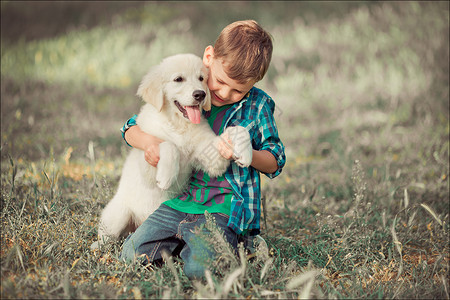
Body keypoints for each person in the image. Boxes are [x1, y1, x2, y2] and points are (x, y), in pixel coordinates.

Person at [119, 20, 286, 279]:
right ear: (209, 58)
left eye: (238, 90)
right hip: (180, 200)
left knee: (199, 271)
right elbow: (130, 127)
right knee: (130, 255)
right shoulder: (191, 88)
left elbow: (276, 160)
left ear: (252, 86)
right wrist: (151, 144)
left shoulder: (258, 106)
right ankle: (191, 243)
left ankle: (236, 244)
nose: (223, 93)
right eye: (219, 81)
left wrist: (249, 154)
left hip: (224, 209)